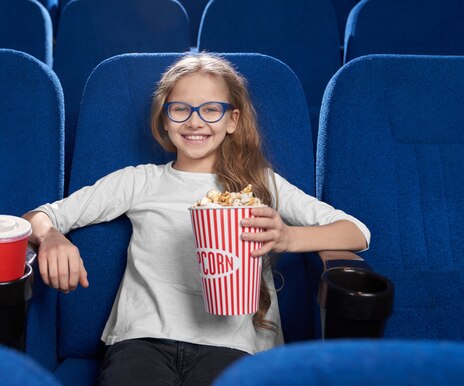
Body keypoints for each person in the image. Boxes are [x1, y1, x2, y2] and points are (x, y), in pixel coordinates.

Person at [22, 53, 370, 386]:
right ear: (164, 118)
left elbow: (357, 232)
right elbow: (38, 217)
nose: (194, 121)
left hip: (233, 344)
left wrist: (288, 238)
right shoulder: (138, 180)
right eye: (180, 109)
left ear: (232, 120)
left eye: (211, 110)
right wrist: (52, 236)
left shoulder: (261, 184)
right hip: (142, 339)